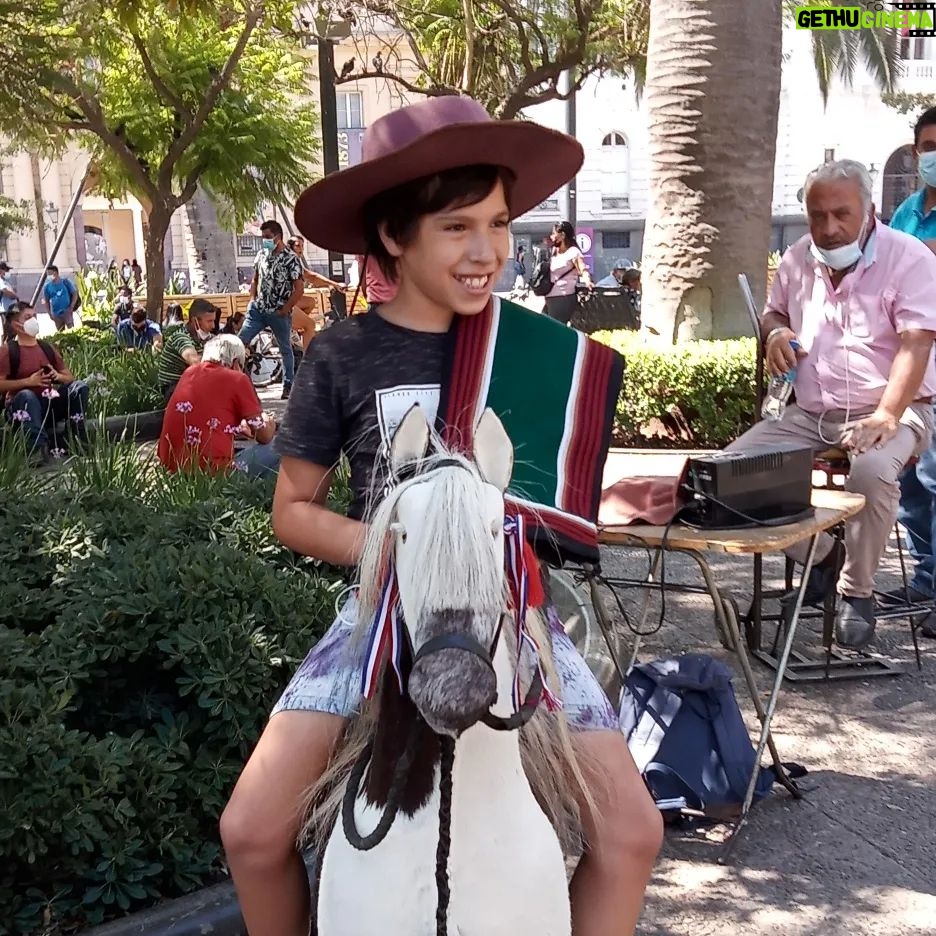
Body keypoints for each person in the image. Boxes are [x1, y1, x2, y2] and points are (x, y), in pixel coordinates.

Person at [219, 96, 662, 936]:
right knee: (250, 830)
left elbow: (548, 507)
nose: (488, 250)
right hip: (380, 618)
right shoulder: (343, 354)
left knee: (633, 833)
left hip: (516, 621)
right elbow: (294, 511)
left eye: (498, 223)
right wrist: (401, 553)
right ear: (394, 235)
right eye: (458, 227)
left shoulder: (533, 353)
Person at [728, 158, 936, 649]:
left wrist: (886, 415)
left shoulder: (909, 258)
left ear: (867, 210)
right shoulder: (799, 256)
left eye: (841, 214)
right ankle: (822, 556)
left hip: (895, 407)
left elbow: (917, 342)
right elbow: (775, 310)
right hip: (812, 413)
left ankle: (857, 591)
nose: (829, 228)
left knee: (871, 472)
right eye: (817, 216)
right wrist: (776, 330)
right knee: (725, 476)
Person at [889, 107, 936, 637]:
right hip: (908, 364)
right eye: (927, 146)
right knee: (912, 481)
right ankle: (926, 579)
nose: (932, 156)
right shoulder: (906, 210)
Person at [158, 334, 277, 477]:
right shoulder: (237, 379)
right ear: (235, 363)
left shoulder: (189, 373)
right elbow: (264, 436)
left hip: (174, 471)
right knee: (283, 447)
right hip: (217, 473)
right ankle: (262, 495)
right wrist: (269, 421)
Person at [0, 302, 89, 462]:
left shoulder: (46, 348)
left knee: (79, 387)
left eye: (34, 316)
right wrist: (28, 381)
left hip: (48, 405)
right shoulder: (8, 351)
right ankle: (37, 449)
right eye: (28, 317)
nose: (33, 320)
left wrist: (57, 376)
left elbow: (69, 377)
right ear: (16, 324)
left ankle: (78, 440)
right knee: (27, 396)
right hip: (21, 409)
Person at [238, 220, 303, 400]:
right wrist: (251, 300)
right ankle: (238, 382)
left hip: (279, 312)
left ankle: (288, 384)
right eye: (263, 237)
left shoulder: (291, 259)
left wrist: (286, 308)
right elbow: (255, 279)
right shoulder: (261, 255)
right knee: (239, 343)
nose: (264, 241)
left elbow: (299, 288)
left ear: (278, 236)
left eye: (267, 237)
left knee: (285, 349)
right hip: (258, 310)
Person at [157, 297, 220, 401]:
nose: (213, 325)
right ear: (195, 321)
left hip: (190, 384)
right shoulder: (180, 337)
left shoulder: (207, 338)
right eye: (209, 321)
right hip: (174, 388)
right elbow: (196, 362)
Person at [543, 220, 593, 325]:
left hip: (563, 298)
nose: (552, 237)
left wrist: (588, 282)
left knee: (556, 330)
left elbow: (583, 269)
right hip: (550, 298)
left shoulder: (574, 252)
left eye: (554, 233)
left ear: (562, 235)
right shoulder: (554, 252)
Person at [41, 266, 78, 331]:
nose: (49, 276)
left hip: (67, 311)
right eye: (48, 274)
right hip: (56, 313)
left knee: (71, 330)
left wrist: (71, 306)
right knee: (60, 332)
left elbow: (74, 294)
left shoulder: (65, 282)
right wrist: (49, 313)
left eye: (50, 273)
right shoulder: (47, 287)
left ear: (56, 273)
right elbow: (46, 301)